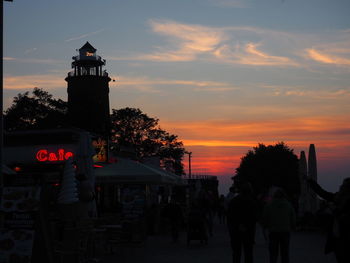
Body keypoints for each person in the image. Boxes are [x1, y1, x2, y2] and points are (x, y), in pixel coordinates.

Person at [308, 178, 350, 263]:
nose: (340, 186)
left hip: (345, 235)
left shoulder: (346, 200)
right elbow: (323, 193)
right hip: (337, 235)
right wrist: (311, 182)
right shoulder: (338, 197)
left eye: (343, 185)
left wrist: (335, 210)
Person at [227, 182, 258, 263]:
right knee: (248, 254)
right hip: (249, 231)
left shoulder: (234, 201)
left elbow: (230, 216)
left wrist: (237, 225)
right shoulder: (252, 202)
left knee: (236, 254)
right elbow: (255, 217)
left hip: (236, 231)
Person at [262, 188, 296, 263]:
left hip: (273, 232)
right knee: (285, 254)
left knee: (273, 254)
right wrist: (293, 227)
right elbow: (293, 218)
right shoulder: (288, 205)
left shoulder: (269, 205)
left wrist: (264, 227)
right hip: (285, 231)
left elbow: (265, 218)